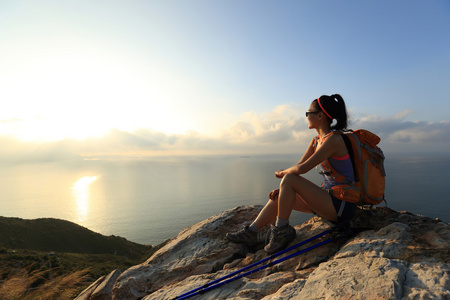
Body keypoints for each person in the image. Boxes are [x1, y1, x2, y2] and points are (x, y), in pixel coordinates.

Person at [227, 94, 356, 254]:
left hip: (342, 206)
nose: (307, 116)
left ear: (320, 115)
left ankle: (281, 231)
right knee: (281, 195)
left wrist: (282, 174)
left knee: (289, 178)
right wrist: (285, 190)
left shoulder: (334, 140)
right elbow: (299, 166)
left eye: (308, 113)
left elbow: (301, 170)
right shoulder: (316, 141)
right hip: (328, 201)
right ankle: (251, 232)